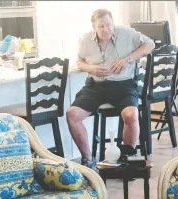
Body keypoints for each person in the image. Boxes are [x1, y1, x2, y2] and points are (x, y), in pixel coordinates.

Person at [66, 9, 155, 170]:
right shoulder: (85, 40)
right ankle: (88, 161)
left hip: (124, 84)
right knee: (72, 114)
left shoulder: (126, 33)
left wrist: (127, 60)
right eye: (101, 26)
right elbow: (79, 61)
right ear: (94, 28)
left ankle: (126, 159)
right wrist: (90, 68)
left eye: (109, 25)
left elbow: (150, 44)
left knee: (131, 114)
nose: (106, 29)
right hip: (95, 86)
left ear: (113, 22)